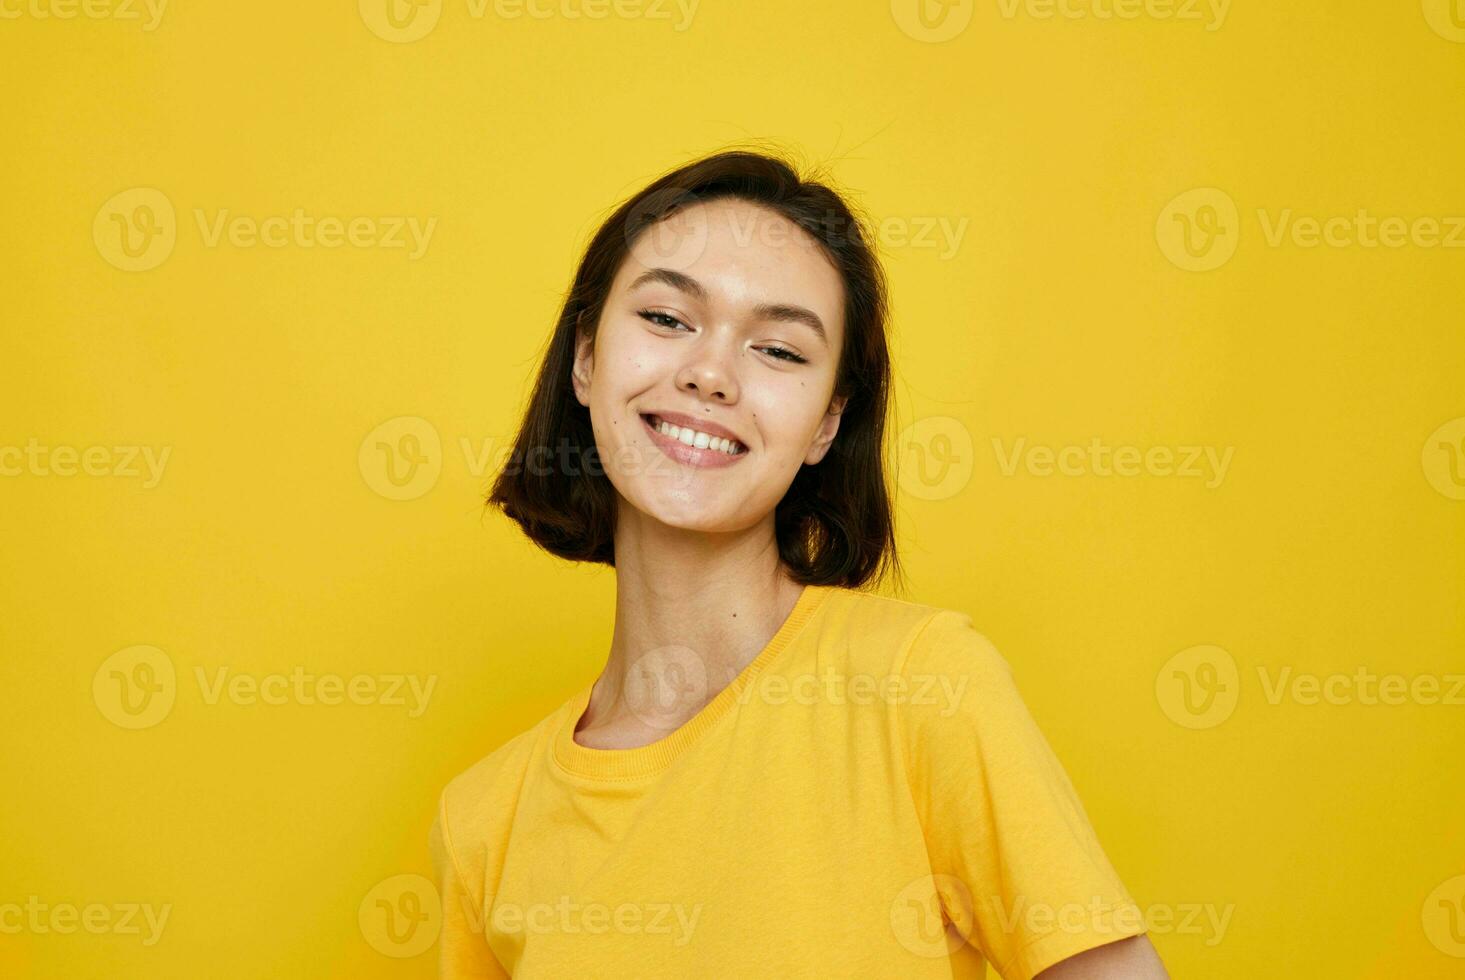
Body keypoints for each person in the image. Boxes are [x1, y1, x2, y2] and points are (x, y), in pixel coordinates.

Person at [430, 147, 1169, 979]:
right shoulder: (484, 821)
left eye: (779, 351)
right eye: (668, 319)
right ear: (587, 359)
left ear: (825, 424)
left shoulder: (923, 685)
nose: (710, 374)